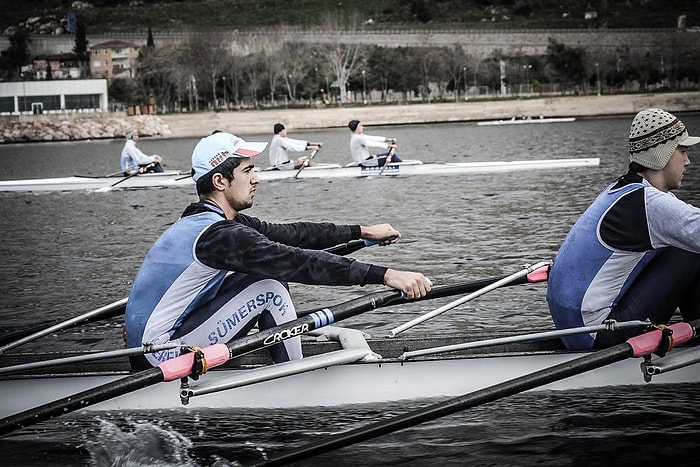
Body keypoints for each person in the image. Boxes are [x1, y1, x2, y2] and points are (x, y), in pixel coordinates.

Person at [125, 131, 431, 370]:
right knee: (269, 285)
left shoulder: (205, 221)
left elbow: (294, 235)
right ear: (220, 180)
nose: (257, 178)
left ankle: (283, 352)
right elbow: (296, 262)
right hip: (161, 356)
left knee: (264, 274)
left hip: (155, 344)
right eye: (248, 171)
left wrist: (362, 231)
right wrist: (386, 275)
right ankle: (295, 381)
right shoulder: (219, 235)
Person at [546, 108, 700, 350]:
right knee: (691, 252)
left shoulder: (620, 190)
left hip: (573, 327)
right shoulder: (652, 204)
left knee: (680, 243)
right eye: (682, 150)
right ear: (663, 155)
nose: (688, 161)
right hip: (597, 333)